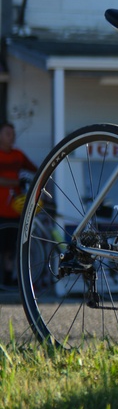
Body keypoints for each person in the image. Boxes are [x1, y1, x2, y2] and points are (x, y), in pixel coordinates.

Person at [0, 122, 37, 287]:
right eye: (8, 133)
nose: (12, 136)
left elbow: (37, 170)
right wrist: (17, 182)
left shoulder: (18, 155)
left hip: (15, 209)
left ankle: (8, 279)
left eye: (13, 133)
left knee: (11, 248)